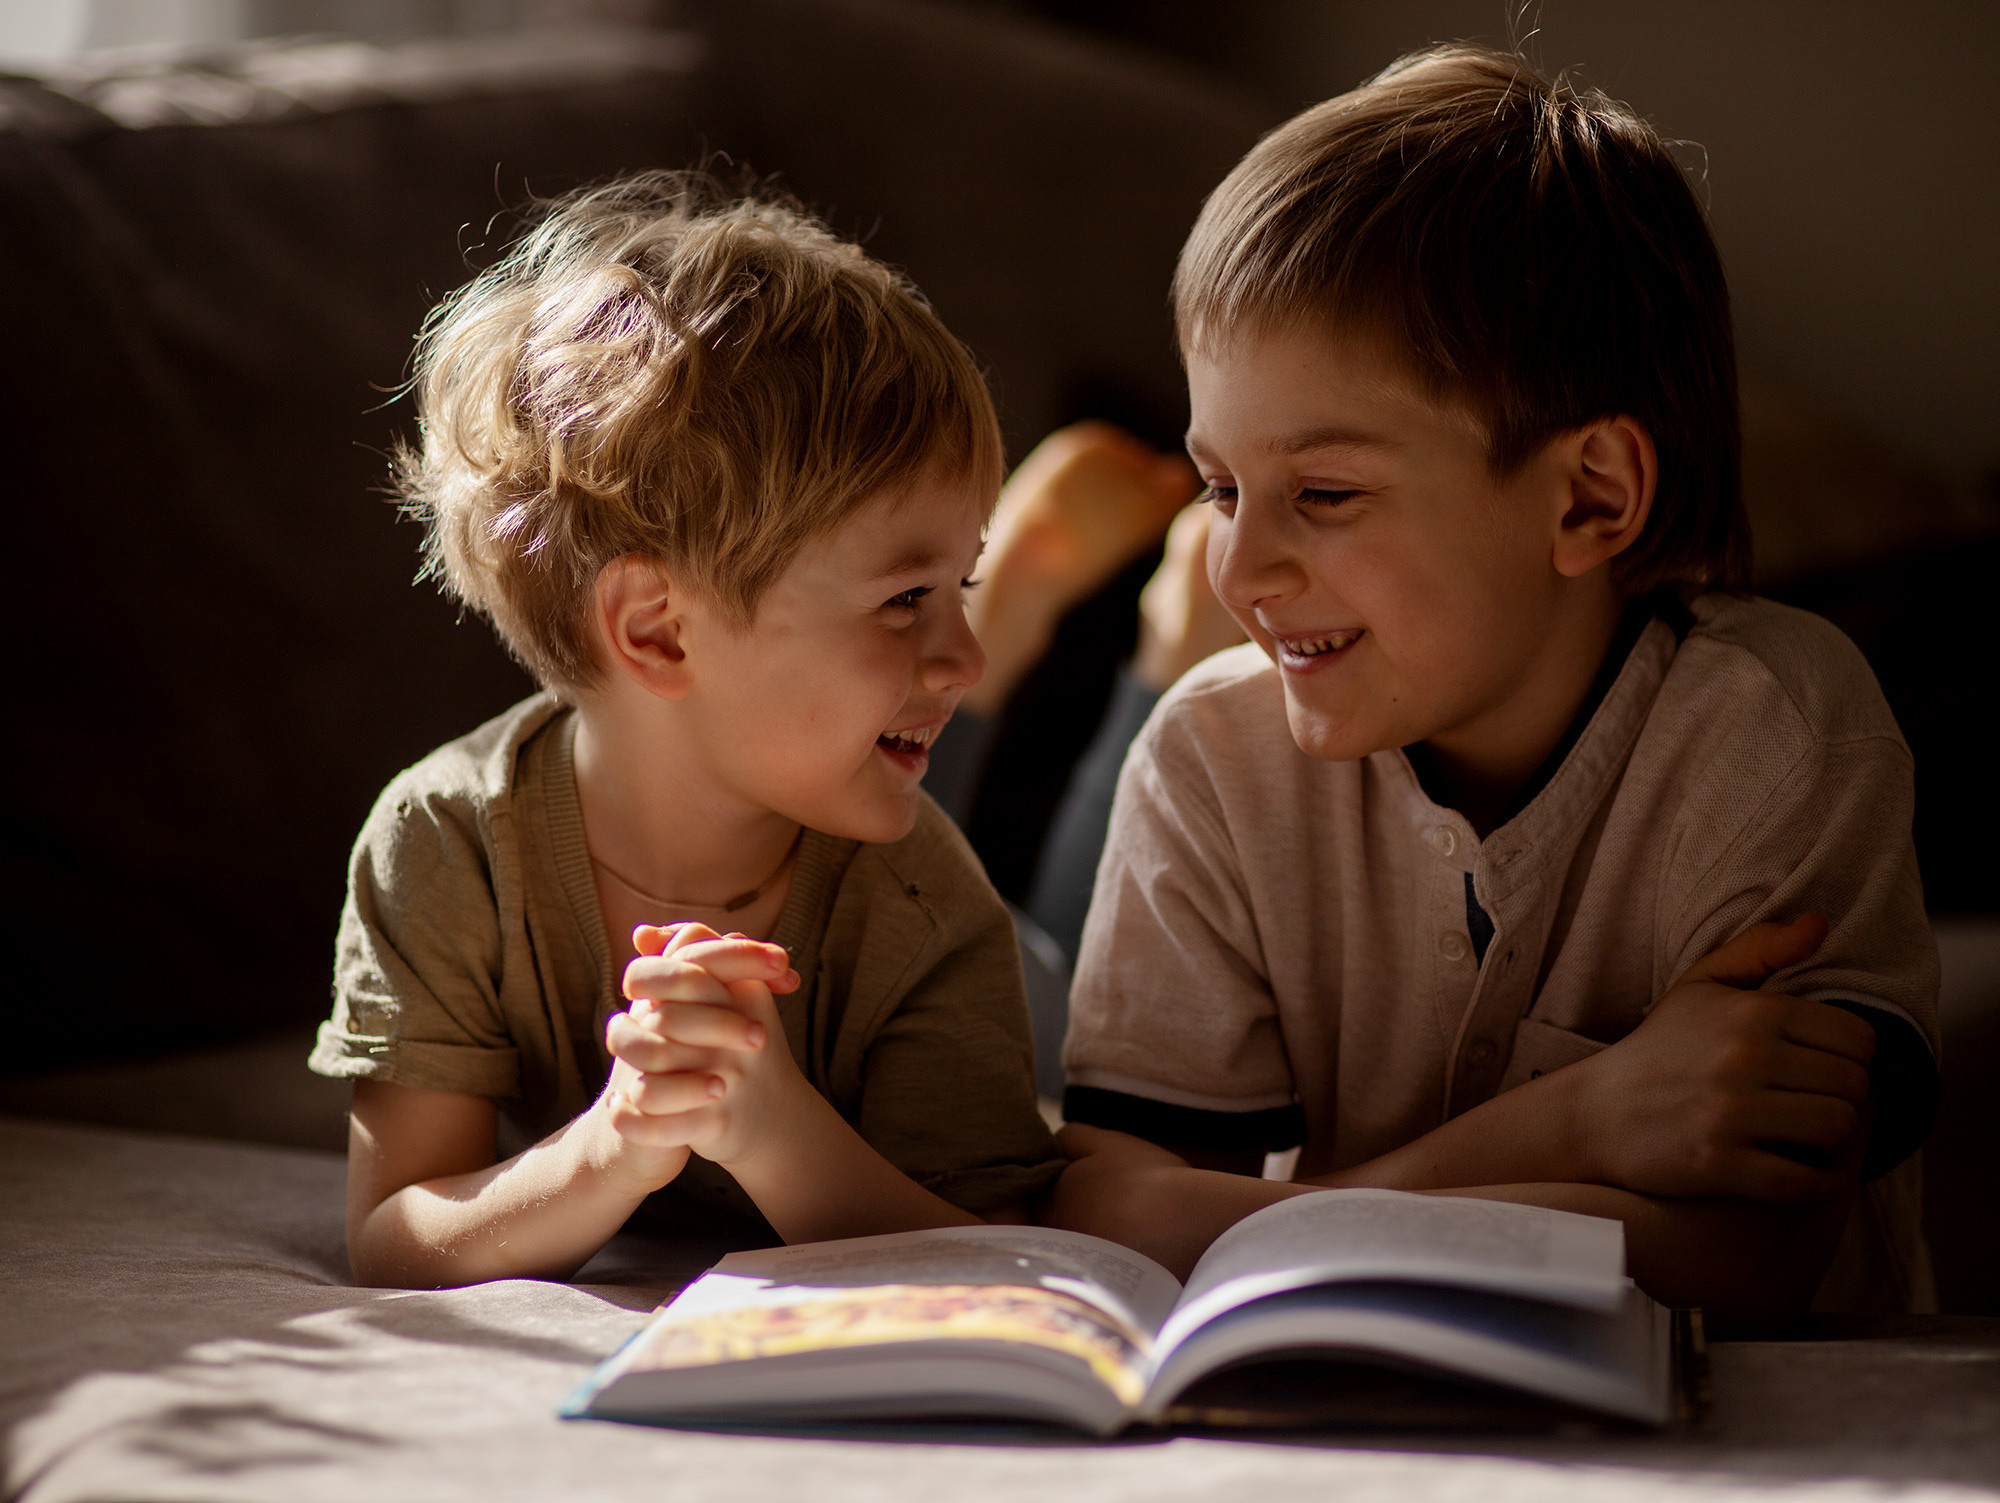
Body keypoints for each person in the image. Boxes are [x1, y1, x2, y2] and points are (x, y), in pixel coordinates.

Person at [1044, 45, 1941, 1332]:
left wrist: (1296, 1216)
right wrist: (1582, 1119)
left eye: (1327, 494)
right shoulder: (1208, 758)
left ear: (1588, 496)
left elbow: (1747, 1262)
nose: (1235, 568)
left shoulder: (1771, 732)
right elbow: (1109, 1218)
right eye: (1221, 487)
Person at [309, 174, 1064, 1288]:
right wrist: (613, 1149)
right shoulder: (446, 845)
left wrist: (767, 1128)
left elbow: (990, 1243)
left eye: (964, 585)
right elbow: (393, 1233)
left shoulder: (924, 907)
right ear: (658, 632)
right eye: (906, 598)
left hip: (1035, 989)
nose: (965, 657)